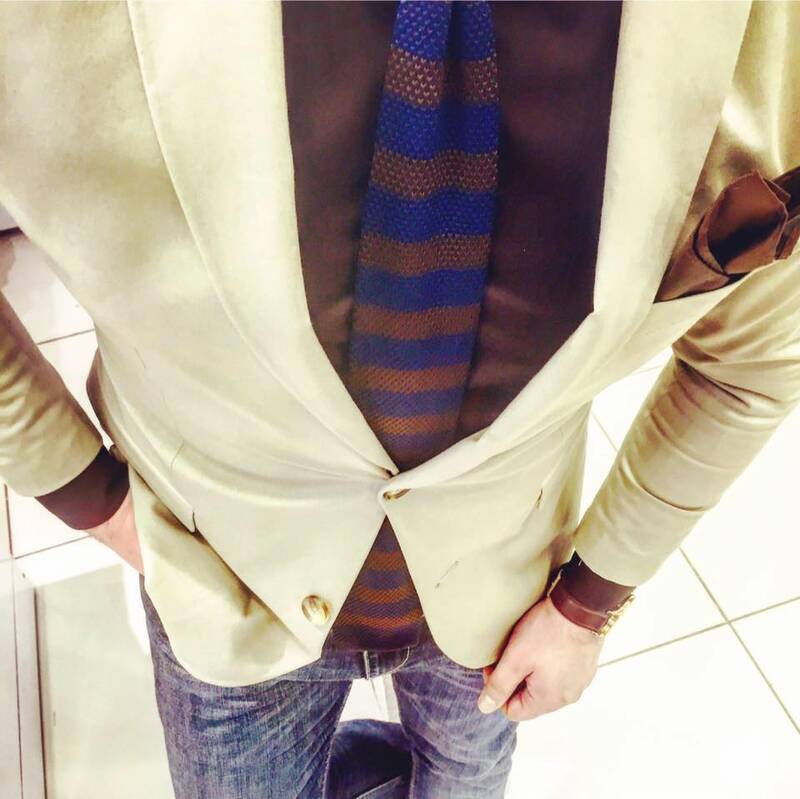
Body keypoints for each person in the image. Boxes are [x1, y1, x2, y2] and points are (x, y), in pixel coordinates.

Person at [1, 1, 799, 797]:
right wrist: (92, 497)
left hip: (509, 583)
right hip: (219, 575)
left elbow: (748, 362)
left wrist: (590, 601)